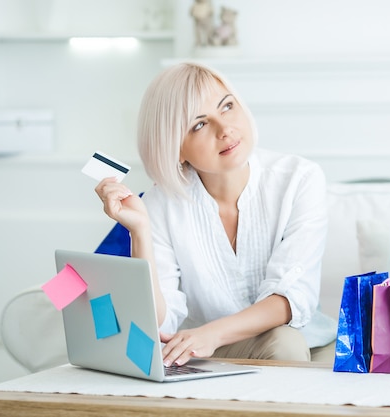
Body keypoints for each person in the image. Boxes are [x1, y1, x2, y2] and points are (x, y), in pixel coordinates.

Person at [95, 62, 337, 367]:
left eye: (227, 106)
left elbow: (290, 299)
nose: (225, 129)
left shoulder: (299, 179)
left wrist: (210, 334)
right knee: (284, 345)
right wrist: (139, 230)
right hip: (208, 353)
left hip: (304, 341)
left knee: (285, 342)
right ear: (176, 148)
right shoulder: (160, 204)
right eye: (199, 124)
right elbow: (160, 323)